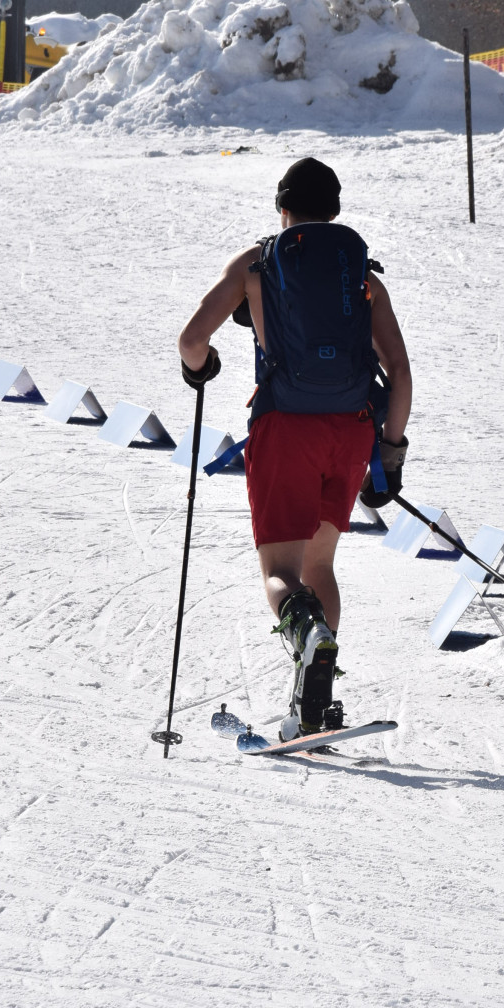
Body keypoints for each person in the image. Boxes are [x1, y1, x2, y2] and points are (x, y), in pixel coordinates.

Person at [177, 156, 412, 739]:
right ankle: (316, 703)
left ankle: (309, 635)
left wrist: (201, 367)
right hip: (352, 430)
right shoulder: (361, 274)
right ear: (335, 210)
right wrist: (389, 452)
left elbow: (191, 339)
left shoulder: (256, 263)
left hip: (286, 428)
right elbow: (401, 373)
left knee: (281, 572)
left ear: (282, 208)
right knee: (319, 565)